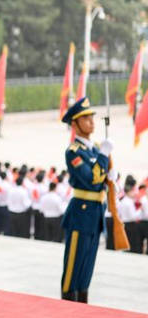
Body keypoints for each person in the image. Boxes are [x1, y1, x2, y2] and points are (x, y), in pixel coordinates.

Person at [60, 96, 112, 303]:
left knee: (87, 265)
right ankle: (68, 303)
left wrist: (112, 175)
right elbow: (91, 178)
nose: (91, 122)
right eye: (85, 118)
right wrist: (104, 157)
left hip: (95, 212)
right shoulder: (73, 151)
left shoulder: (95, 148)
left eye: (92, 118)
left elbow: (102, 178)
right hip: (80, 213)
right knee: (74, 265)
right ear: (75, 124)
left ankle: (83, 303)